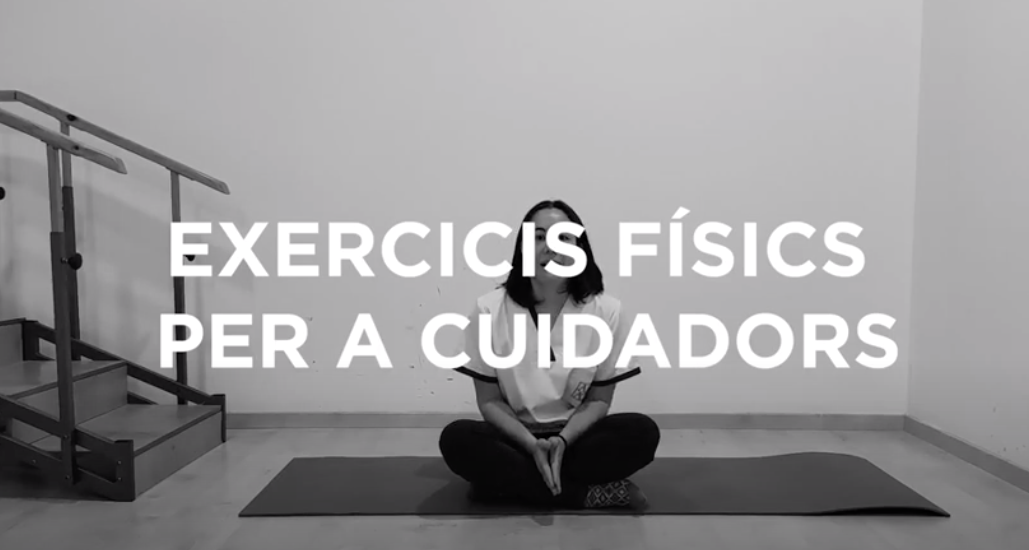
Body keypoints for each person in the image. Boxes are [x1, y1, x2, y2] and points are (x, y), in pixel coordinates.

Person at [439, 199, 660, 509]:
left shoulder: (607, 310)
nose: (551, 247)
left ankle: (505, 485)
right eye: (539, 236)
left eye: (563, 237)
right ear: (523, 248)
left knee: (642, 433)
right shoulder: (489, 309)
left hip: (576, 438)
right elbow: (489, 401)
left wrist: (562, 441)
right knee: (457, 439)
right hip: (515, 436)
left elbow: (599, 400)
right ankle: (582, 494)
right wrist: (532, 445)